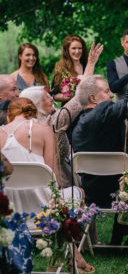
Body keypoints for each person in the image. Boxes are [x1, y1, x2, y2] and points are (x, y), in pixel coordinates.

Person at [72, 49, 128, 246]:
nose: (111, 94)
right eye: (106, 92)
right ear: (93, 98)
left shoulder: (81, 120)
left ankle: (119, 238)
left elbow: (101, 149)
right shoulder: (102, 112)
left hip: (89, 192)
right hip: (113, 191)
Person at [0, 99, 93, 274]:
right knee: (77, 192)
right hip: (45, 214)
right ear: (34, 113)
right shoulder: (44, 130)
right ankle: (72, 255)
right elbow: (53, 178)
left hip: (9, 215)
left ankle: (71, 257)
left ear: (9, 114)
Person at [19, 43, 103, 188]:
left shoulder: (23, 124)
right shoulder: (53, 122)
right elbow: (79, 98)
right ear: (37, 104)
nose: (51, 98)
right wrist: (90, 64)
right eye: (46, 97)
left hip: (34, 180)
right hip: (60, 181)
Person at [51, 35, 97, 104]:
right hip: (70, 110)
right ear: (67, 50)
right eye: (74, 48)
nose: (77, 51)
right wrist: (68, 96)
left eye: (80, 48)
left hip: (87, 108)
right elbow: (54, 95)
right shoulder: (61, 69)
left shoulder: (87, 66)